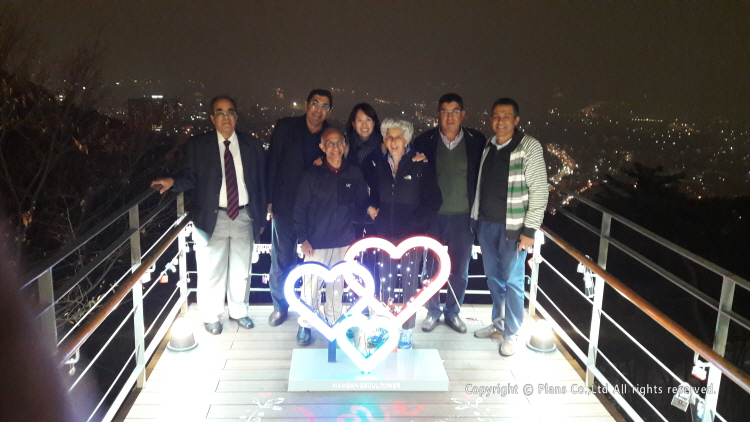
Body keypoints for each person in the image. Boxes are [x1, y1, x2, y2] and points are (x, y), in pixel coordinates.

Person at [151, 96, 266, 335]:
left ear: (236, 116)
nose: (226, 117)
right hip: (212, 217)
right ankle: (211, 316)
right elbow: (190, 176)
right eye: (220, 112)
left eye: (230, 112)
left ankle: (239, 311)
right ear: (213, 118)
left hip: (244, 215)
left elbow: (260, 181)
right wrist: (172, 181)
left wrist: (261, 215)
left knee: (241, 270)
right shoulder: (199, 145)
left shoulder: (251, 145)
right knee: (211, 270)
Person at [470, 98, 548, 356]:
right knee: (494, 279)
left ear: (516, 120)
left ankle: (511, 332)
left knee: (513, 282)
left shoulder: (528, 146)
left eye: (506, 116)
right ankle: (499, 322)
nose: (500, 121)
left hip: (514, 229)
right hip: (487, 225)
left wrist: (530, 231)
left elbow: (539, 191)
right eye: (496, 116)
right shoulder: (489, 145)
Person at [412, 93, 486, 334]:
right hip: (433, 216)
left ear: (463, 114)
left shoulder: (477, 141)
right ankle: (432, 311)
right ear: (438, 114)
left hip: (463, 215)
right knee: (430, 268)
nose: (450, 116)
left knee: (460, 269)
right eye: (445, 111)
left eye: (455, 111)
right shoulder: (424, 140)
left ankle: (453, 312)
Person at [368, 118, 442, 349]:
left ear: (407, 139)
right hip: (385, 235)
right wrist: (372, 210)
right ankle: (385, 327)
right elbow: (373, 196)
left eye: (398, 137)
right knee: (385, 283)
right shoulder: (379, 166)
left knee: (410, 286)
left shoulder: (420, 165)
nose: (393, 141)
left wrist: (415, 223)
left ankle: (407, 330)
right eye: (389, 137)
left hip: (411, 237)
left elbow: (435, 201)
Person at [293, 128, 371, 346]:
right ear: (322, 147)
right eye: (330, 143)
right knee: (310, 286)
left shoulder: (354, 173)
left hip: (344, 241)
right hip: (316, 242)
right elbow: (299, 209)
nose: (335, 148)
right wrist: (303, 238)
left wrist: (370, 212)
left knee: (336, 286)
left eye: (339, 143)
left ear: (345, 145)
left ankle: (334, 323)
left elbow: (360, 204)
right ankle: (305, 325)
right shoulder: (312, 174)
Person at [266, 89, 333, 327]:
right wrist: (269, 199)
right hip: (285, 204)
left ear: (329, 112)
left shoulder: (330, 134)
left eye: (324, 106)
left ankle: (307, 307)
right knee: (282, 258)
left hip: (314, 211)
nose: (318, 110)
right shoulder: (286, 127)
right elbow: (272, 162)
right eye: (315, 103)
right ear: (306, 105)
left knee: (311, 262)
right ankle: (280, 307)